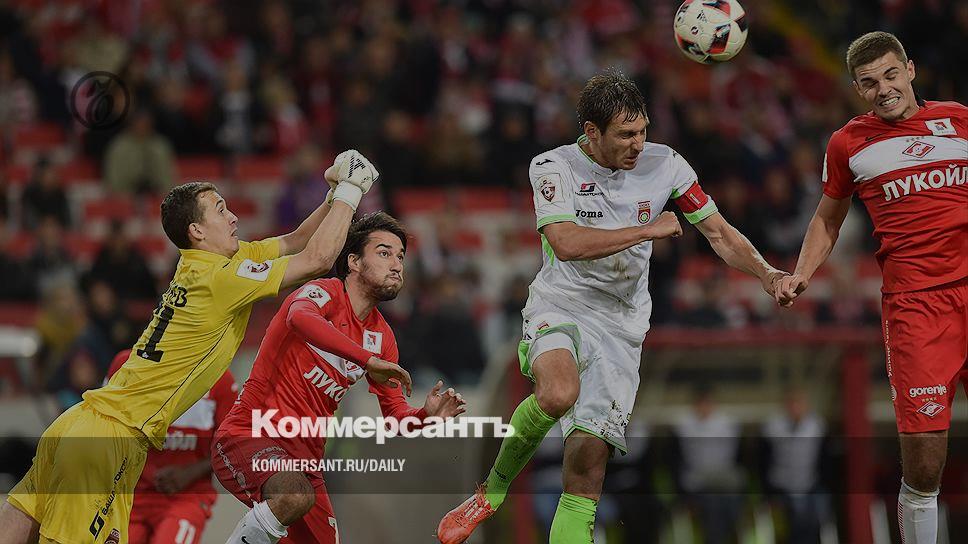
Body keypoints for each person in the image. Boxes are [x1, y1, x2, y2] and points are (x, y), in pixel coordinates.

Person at [437, 69, 787, 544]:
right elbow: (565, 243)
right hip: (563, 301)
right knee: (558, 393)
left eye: (642, 131)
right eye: (625, 135)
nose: (637, 144)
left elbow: (719, 233)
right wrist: (647, 230)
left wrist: (767, 274)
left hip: (622, 323)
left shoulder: (667, 165)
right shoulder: (553, 167)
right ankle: (491, 492)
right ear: (592, 132)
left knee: (587, 466)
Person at [0, 150, 410, 544]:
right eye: (220, 209)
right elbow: (319, 260)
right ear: (197, 231)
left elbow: (298, 240)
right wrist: (353, 189)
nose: (234, 217)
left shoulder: (209, 266)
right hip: (115, 437)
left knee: (19, 521)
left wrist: (333, 194)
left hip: (78, 423)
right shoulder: (223, 280)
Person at [776, 31, 967, 544]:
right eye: (869, 82)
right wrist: (802, 272)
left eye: (890, 74)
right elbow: (827, 218)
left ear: (911, 70)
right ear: (857, 89)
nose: (883, 89)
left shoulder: (960, 120)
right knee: (924, 462)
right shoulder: (849, 143)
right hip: (918, 308)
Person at [213, 212, 466, 543]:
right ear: (354, 262)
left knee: (300, 499)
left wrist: (424, 417)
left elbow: (394, 417)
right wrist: (366, 360)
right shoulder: (323, 293)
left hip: (307, 466)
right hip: (250, 436)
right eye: (384, 253)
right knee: (293, 496)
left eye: (401, 257)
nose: (396, 265)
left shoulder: (382, 337)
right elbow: (298, 318)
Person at [105, 350, 236, 544]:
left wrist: (189, 473)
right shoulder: (126, 364)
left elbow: (231, 446)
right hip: (129, 496)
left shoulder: (219, 377)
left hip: (186, 496)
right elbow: (105, 429)